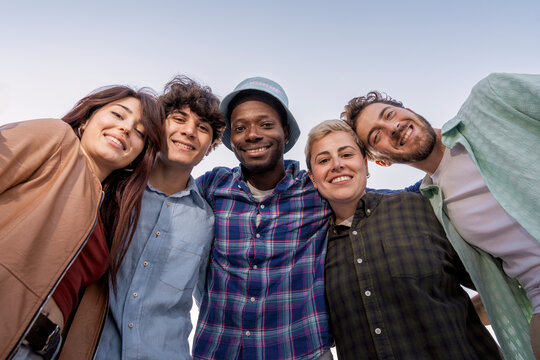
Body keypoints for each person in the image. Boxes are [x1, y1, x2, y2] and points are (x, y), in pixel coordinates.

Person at [193, 77, 418, 360]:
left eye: (265, 124)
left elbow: (390, 196)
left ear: (285, 134)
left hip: (301, 352)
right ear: (232, 139)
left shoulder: (315, 190)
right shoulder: (212, 187)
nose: (252, 135)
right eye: (240, 128)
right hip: (216, 352)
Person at [342, 73, 540, 359]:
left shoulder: (489, 103)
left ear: (408, 110)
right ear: (381, 161)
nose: (393, 127)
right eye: (377, 135)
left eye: (390, 114)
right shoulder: (434, 206)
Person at [305, 119, 501, 359]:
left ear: (365, 165)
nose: (337, 165)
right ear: (313, 178)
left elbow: (494, 284)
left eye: (347, 154)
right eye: (324, 160)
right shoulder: (313, 251)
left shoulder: (419, 207)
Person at [1, 85, 161, 359]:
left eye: (140, 133)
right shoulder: (56, 138)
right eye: (118, 115)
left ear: (137, 157)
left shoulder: (109, 217)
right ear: (86, 120)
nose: (126, 129)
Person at [94, 75, 226, 360]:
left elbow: (207, 300)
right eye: (178, 119)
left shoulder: (207, 221)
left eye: (202, 128)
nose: (189, 131)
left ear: (210, 147)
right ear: (157, 126)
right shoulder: (112, 188)